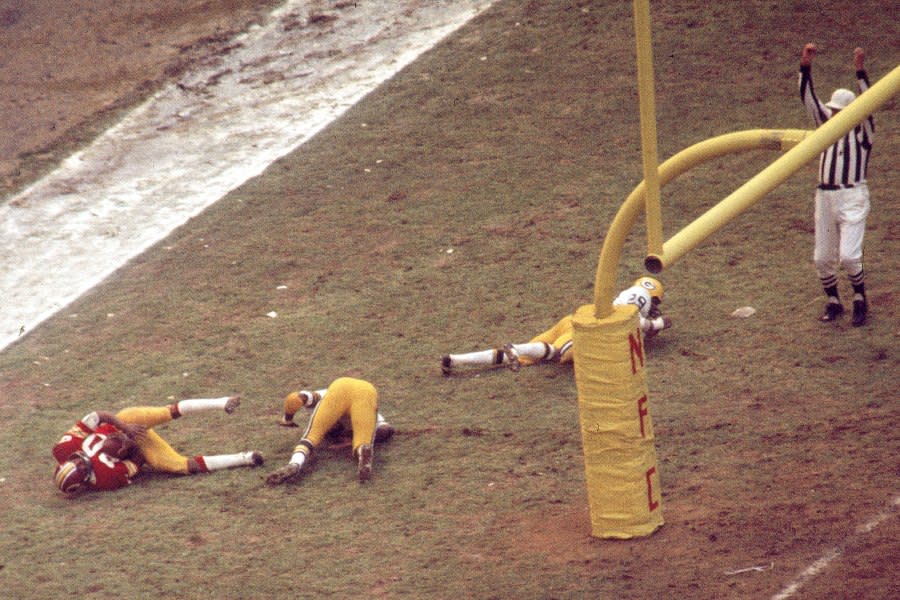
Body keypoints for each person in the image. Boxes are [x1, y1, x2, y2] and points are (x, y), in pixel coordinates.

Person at [441, 277, 671, 374]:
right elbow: (635, 320)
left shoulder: (628, 298)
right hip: (586, 333)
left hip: (571, 322)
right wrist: (657, 324)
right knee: (554, 354)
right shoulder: (637, 303)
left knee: (525, 358)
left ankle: (456, 360)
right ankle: (517, 347)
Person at [799, 43, 875, 326]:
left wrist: (860, 72)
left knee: (850, 256)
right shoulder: (826, 127)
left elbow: (871, 104)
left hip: (852, 194)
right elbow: (808, 99)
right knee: (821, 258)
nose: (835, 115)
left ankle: (859, 298)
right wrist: (805, 65)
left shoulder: (863, 134)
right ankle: (833, 301)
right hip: (825, 197)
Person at [53, 396, 264, 494]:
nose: (81, 461)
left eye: (77, 461)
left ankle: (221, 401)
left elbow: (99, 415)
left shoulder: (64, 449)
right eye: (82, 467)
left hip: (124, 422)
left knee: (168, 412)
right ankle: (245, 458)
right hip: (137, 444)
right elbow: (139, 463)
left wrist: (125, 429)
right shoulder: (106, 479)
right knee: (182, 466)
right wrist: (128, 446)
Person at [266, 377, 394, 485]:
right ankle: (362, 452)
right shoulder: (371, 413)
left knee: (311, 437)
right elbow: (385, 429)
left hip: (340, 388)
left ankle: (295, 464)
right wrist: (352, 438)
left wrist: (288, 418)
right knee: (362, 441)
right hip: (366, 392)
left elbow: (296, 398)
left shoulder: (324, 398)